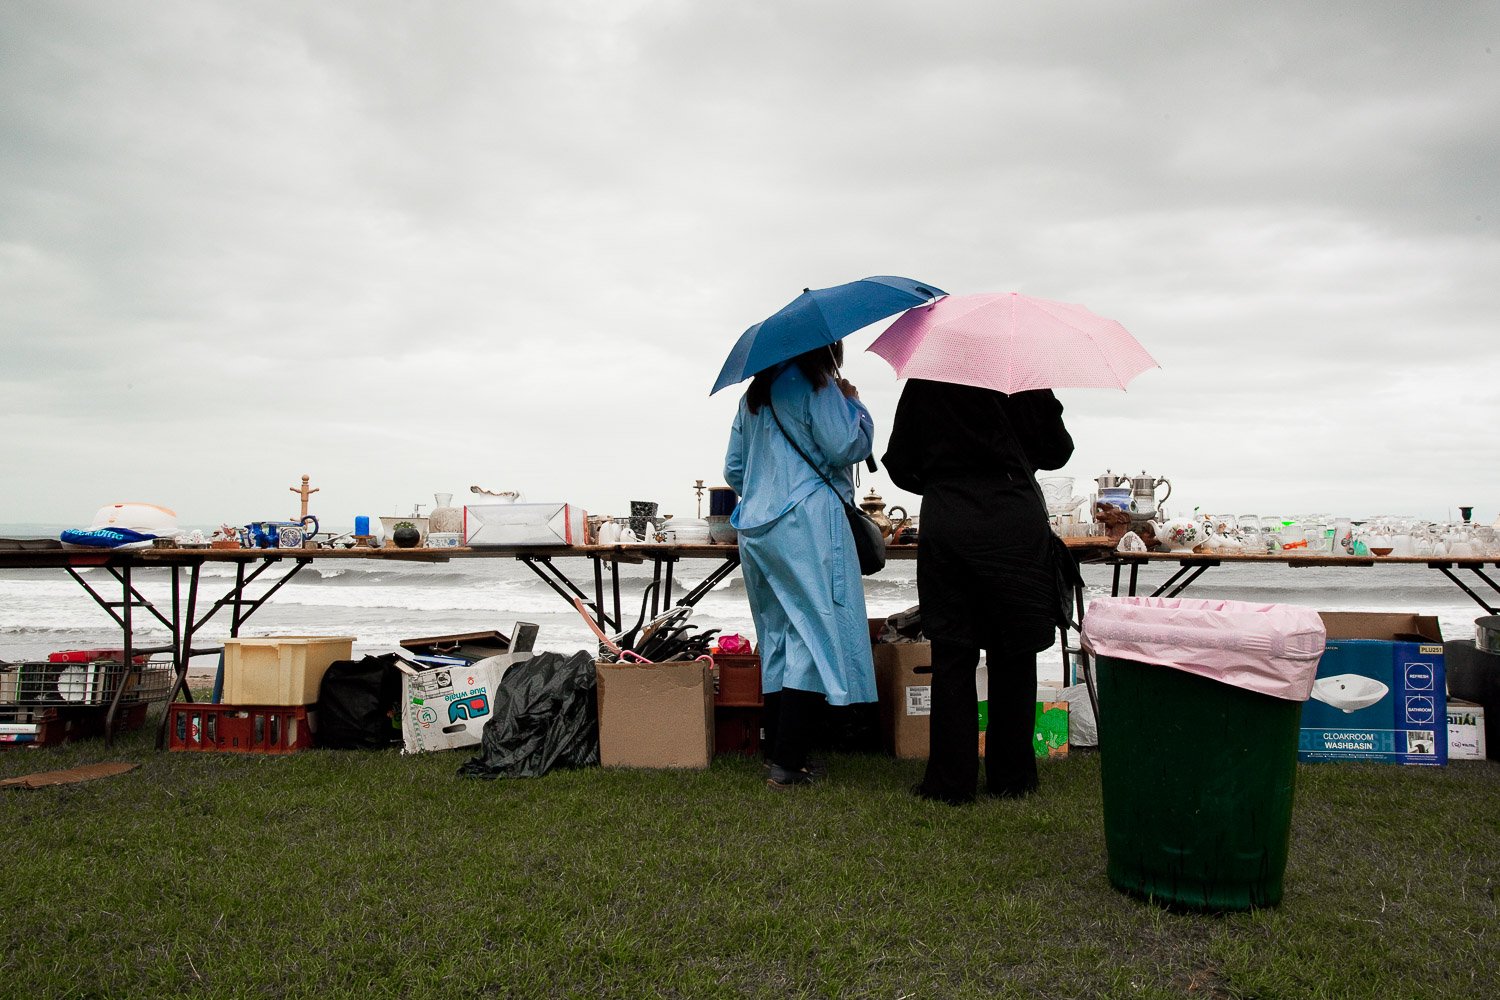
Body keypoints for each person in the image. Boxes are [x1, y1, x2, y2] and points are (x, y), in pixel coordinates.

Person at [881, 379, 1075, 804]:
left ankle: (950, 782)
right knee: (1016, 653)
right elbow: (1058, 451)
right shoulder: (1024, 378)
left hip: (949, 519)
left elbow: (899, 462)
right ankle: (1013, 778)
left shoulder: (927, 380)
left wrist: (944, 478)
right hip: (1014, 517)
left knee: (952, 652)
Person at [723, 341, 879, 789]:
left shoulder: (754, 394)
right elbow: (847, 445)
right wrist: (854, 403)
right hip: (806, 521)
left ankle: (779, 751)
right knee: (814, 630)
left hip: (755, 526)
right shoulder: (818, 385)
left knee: (776, 634)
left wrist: (766, 484)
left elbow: (735, 468)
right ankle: (788, 762)